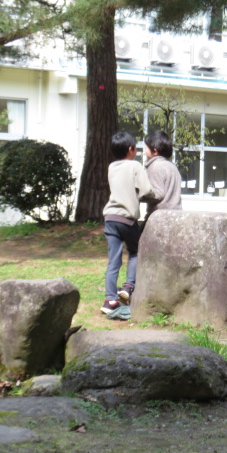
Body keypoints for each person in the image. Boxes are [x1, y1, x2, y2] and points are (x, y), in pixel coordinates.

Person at [101, 131, 156, 315]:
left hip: (110, 218)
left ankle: (110, 300)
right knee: (135, 252)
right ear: (131, 149)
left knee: (113, 261)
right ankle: (128, 286)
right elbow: (146, 190)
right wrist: (146, 196)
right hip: (127, 219)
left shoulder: (111, 167)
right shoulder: (135, 166)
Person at [143, 129, 183, 223]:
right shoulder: (172, 166)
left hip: (159, 219)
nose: (144, 149)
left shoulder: (155, 166)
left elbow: (157, 194)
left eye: (146, 146)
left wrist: (138, 195)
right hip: (175, 217)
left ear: (155, 151)